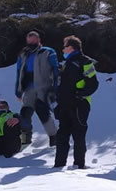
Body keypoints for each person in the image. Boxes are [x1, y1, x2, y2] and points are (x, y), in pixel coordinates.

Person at [54, 35, 99, 169]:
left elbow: (93, 83)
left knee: (78, 135)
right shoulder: (65, 64)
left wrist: (80, 95)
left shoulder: (85, 62)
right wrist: (58, 103)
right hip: (64, 105)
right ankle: (58, 165)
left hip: (79, 105)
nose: (62, 50)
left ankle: (79, 166)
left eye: (65, 47)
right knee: (62, 135)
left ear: (71, 47)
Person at [15, 30, 59, 146]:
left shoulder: (48, 52)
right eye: (29, 41)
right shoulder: (23, 54)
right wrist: (18, 91)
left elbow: (55, 70)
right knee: (25, 112)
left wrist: (55, 88)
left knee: (43, 112)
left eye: (33, 40)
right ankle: (26, 137)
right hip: (28, 87)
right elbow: (19, 72)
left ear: (38, 40)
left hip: (43, 87)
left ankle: (54, 136)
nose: (31, 43)